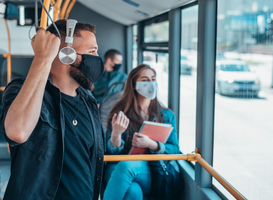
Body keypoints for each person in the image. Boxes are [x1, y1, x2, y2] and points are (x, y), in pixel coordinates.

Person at [0, 19, 104, 200]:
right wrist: (43, 58)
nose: (97, 58)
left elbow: (89, 165)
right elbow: (17, 131)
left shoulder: (88, 100)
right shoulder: (20, 90)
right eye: (92, 51)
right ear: (67, 55)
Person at [102, 64, 180, 200]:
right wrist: (116, 134)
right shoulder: (120, 112)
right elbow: (109, 152)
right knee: (133, 192)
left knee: (126, 166)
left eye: (153, 79)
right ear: (134, 85)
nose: (150, 84)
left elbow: (174, 149)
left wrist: (152, 144)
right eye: (145, 80)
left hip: (149, 169)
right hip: (118, 165)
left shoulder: (166, 115)